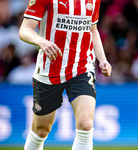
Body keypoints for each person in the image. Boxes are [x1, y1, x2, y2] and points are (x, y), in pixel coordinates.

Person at [19, 0, 112, 150]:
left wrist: (102, 59)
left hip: (82, 68)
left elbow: (92, 29)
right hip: (49, 70)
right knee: (41, 130)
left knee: (86, 125)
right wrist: (40, 41)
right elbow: (24, 30)